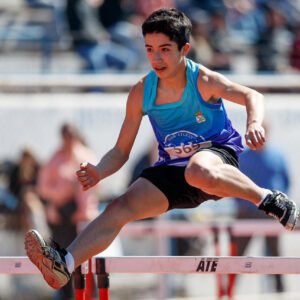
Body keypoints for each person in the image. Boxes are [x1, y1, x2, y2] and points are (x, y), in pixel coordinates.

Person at [25, 8, 299, 290]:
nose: (157, 58)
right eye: (150, 50)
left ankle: (270, 199)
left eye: (165, 49)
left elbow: (252, 95)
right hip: (173, 171)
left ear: (185, 49)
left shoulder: (203, 80)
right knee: (120, 206)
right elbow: (121, 151)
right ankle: (65, 262)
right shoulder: (141, 92)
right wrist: (98, 171)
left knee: (198, 170)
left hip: (216, 157)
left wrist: (254, 123)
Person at [37, 123, 99, 299]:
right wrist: (58, 195)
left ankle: (90, 295)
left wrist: (83, 209)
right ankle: (64, 294)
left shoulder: (85, 156)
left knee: (85, 258)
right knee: (60, 257)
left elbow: (94, 184)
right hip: (61, 217)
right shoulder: (55, 158)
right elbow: (42, 187)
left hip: (81, 217)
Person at [231, 123, 290, 293]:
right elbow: (231, 184)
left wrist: (278, 204)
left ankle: (281, 293)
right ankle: (228, 291)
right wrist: (240, 203)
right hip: (246, 213)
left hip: (271, 214)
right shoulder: (242, 157)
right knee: (236, 255)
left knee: (276, 254)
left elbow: (286, 181)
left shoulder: (277, 156)